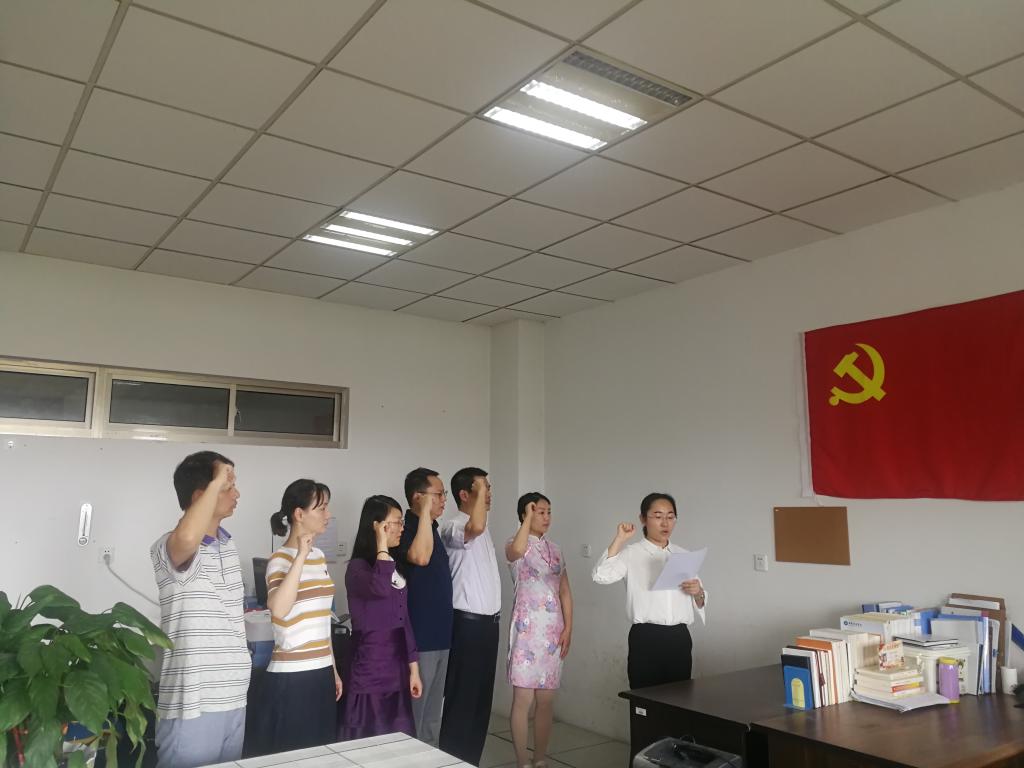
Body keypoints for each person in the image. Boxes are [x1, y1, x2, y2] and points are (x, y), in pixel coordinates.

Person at [150, 452, 251, 768]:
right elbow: (187, 537)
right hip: (193, 703)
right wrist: (218, 477)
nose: (236, 494)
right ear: (200, 496)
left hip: (233, 694)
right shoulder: (168, 546)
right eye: (227, 487)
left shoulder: (228, 546)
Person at [251, 479, 342, 755]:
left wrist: (333, 669)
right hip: (292, 675)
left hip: (321, 670)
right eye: (321, 508)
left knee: (320, 753)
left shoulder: (319, 556)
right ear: (299, 514)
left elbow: (322, 620)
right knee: (293, 754)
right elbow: (278, 609)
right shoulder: (279, 559)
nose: (328, 515)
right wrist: (301, 554)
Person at [591, 492, 707, 690]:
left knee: (680, 699)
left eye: (670, 517)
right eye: (658, 516)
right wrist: (619, 539)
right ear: (643, 519)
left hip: (679, 638)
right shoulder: (631, 553)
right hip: (646, 637)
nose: (665, 523)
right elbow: (600, 576)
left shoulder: (683, 555)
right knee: (644, 699)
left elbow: (701, 601)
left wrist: (698, 592)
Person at [342, 495, 422, 739]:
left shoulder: (394, 566)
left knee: (398, 734)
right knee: (369, 733)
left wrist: (414, 669)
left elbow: (404, 620)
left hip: (396, 665)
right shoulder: (357, 568)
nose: (401, 528)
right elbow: (380, 588)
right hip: (370, 664)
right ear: (377, 526)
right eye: (396, 522)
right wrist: (381, 545)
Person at [438, 467, 501, 766]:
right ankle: (454, 761)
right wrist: (480, 500)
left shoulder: (484, 528)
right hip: (466, 625)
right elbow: (474, 526)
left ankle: (472, 760)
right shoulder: (453, 526)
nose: (489, 493)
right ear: (464, 494)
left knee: (481, 703)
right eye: (482, 487)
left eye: (489, 487)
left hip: (489, 626)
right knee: (462, 700)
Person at [506, 492, 573, 768]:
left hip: (552, 632)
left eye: (548, 512)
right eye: (539, 512)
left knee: (546, 700)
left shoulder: (556, 549)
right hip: (526, 631)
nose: (546, 517)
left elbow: (565, 591)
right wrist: (527, 518)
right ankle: (523, 761)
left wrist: (568, 628)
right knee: (523, 699)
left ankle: (540, 758)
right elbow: (516, 552)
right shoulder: (514, 545)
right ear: (525, 515)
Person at [390, 467, 453, 747]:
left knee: (432, 715)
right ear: (418, 497)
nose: (443, 500)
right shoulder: (405, 531)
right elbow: (420, 558)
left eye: (443, 494)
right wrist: (425, 513)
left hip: (442, 635)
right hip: (420, 637)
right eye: (438, 494)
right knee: (416, 711)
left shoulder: (434, 530)